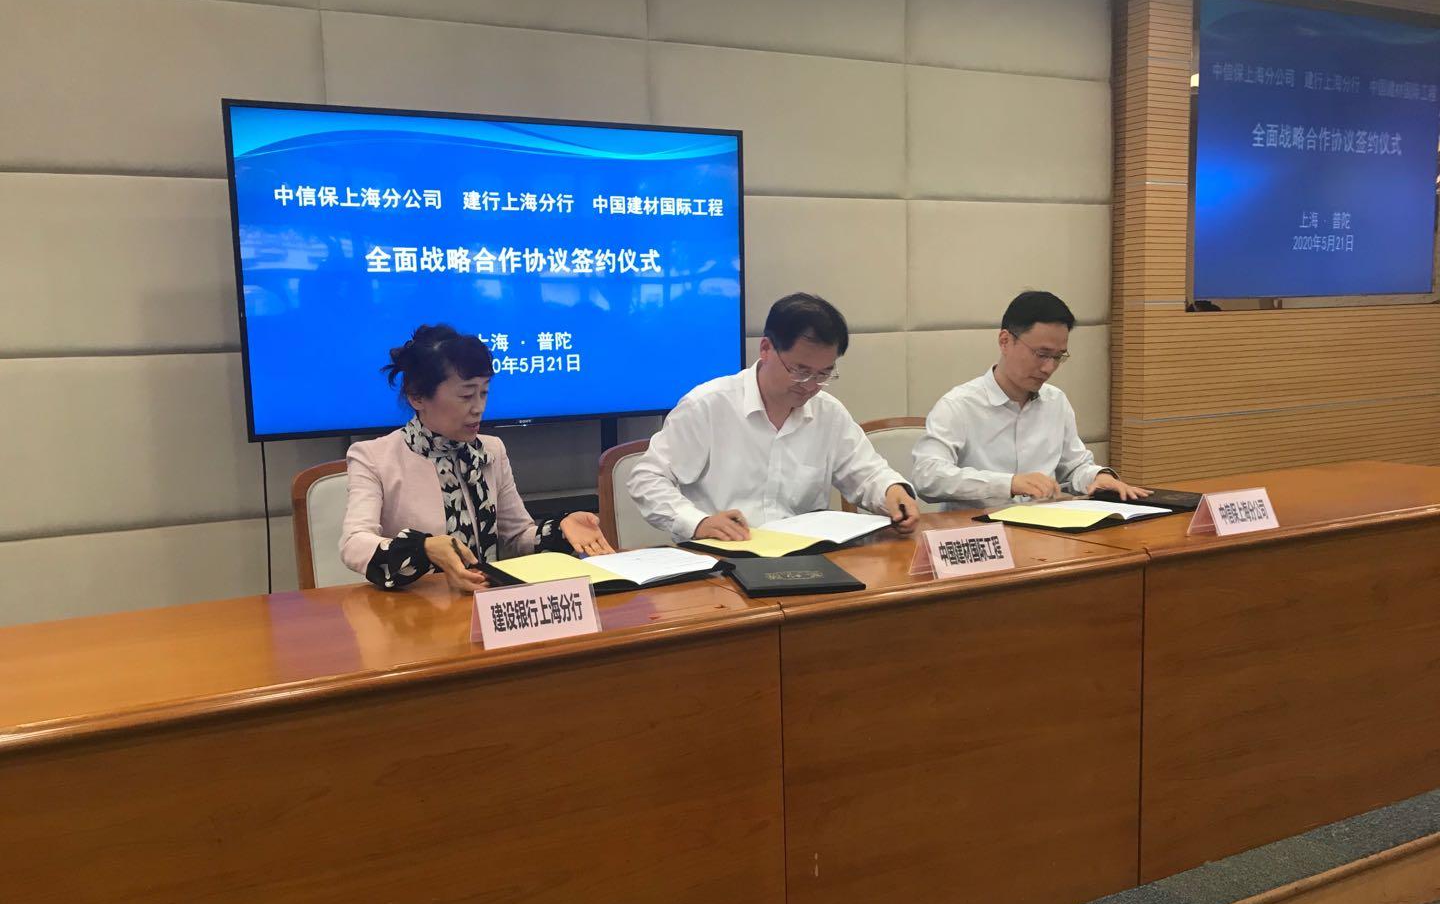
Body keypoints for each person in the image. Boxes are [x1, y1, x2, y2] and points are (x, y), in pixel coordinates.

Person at [341, 324, 613, 591]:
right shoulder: (373, 457)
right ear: (417, 397)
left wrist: (561, 529)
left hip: (489, 603)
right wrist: (423, 548)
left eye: (484, 393)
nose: (479, 408)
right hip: (419, 610)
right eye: (466, 395)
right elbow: (354, 543)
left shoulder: (491, 450)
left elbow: (517, 537)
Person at [628, 292, 919, 542]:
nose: (811, 386)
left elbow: (866, 473)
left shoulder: (828, 413)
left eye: (824, 374)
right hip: (723, 556)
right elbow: (647, 478)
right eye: (800, 371)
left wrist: (891, 491)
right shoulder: (708, 405)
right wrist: (698, 523)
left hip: (807, 557)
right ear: (766, 349)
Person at [911, 291, 1148, 508]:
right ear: (1005, 341)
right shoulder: (959, 405)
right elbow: (927, 476)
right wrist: (1009, 484)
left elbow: (1075, 466)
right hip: (982, 531)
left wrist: (1098, 477)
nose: (1049, 368)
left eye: (1058, 357)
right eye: (1041, 354)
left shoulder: (1056, 401)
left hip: (1047, 530)